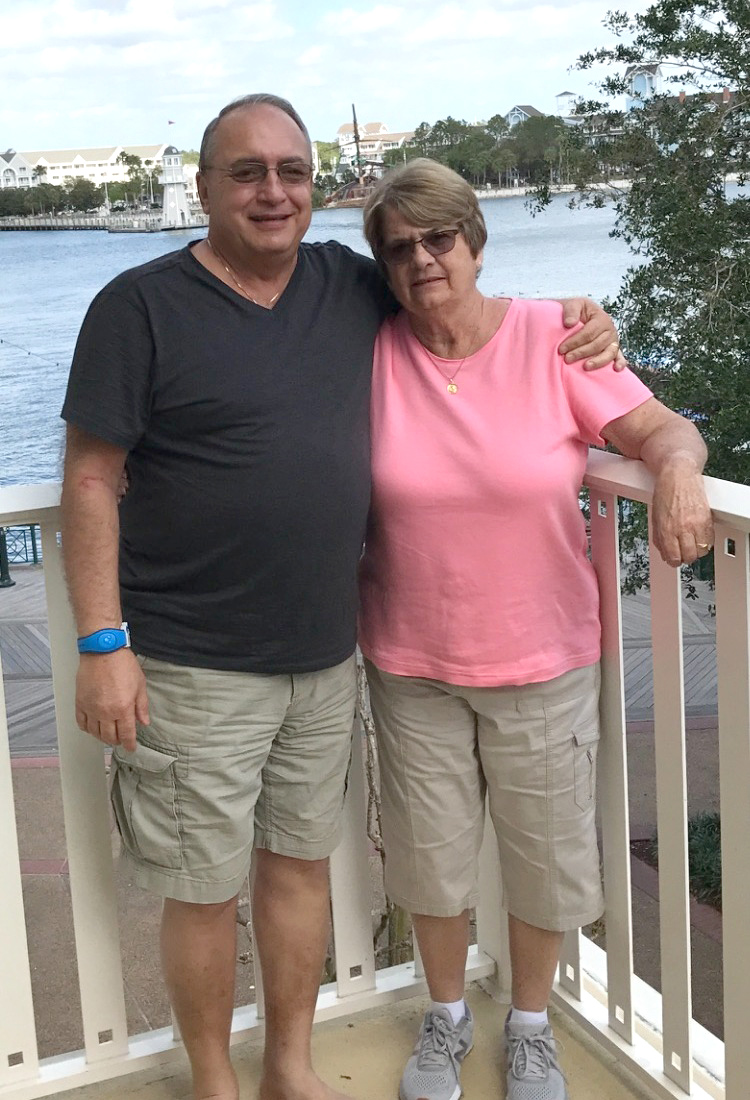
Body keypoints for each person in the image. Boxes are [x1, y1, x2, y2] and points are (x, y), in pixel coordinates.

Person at [60, 94, 623, 1100]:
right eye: (247, 171)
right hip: (190, 657)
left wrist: (582, 315)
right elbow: (92, 478)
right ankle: (213, 1083)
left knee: (297, 868)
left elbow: (456, 291)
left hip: (323, 656)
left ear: (315, 189)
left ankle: (286, 1066)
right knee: (200, 887)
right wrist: (104, 639)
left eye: (293, 170)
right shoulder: (137, 307)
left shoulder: (349, 283)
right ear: (205, 187)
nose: (273, 190)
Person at [357, 159, 714, 1100]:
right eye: (400, 248)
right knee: (431, 862)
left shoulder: (554, 339)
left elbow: (666, 432)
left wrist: (677, 476)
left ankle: (528, 1026)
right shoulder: (369, 349)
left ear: (475, 240)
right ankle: (443, 1020)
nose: (423, 259)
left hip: (544, 657)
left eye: (439, 238)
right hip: (411, 657)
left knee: (546, 859)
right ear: (383, 267)